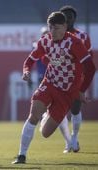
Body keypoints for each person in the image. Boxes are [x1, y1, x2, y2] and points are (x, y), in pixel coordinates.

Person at [12, 11, 95, 164]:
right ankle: (21, 155)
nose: (53, 32)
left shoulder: (75, 43)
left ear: (65, 27)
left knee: (45, 133)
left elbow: (90, 68)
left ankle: (48, 115)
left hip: (67, 92)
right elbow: (29, 60)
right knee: (33, 114)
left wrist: (81, 91)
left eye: (56, 28)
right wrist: (26, 72)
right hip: (49, 84)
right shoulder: (45, 41)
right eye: (50, 28)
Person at [58, 5, 94, 153]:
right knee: (58, 111)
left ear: (74, 19)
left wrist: (83, 85)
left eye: (70, 16)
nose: (67, 19)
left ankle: (74, 137)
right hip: (58, 77)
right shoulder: (53, 34)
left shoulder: (83, 36)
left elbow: (89, 61)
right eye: (64, 16)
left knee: (75, 110)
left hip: (77, 78)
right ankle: (68, 142)